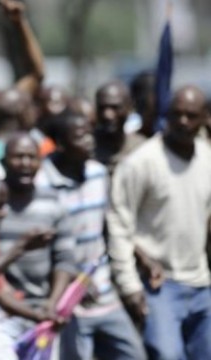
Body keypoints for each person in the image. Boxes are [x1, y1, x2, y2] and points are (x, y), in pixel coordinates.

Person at [107, 85, 211, 359]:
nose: (183, 122)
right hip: (159, 286)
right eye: (176, 114)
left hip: (201, 283)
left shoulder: (207, 158)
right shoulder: (141, 163)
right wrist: (129, 285)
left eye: (191, 115)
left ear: (204, 118)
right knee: (168, 355)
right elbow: (119, 224)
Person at [35, 110, 146, 360]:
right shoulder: (42, 182)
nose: (89, 141)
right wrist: (77, 279)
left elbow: (111, 227)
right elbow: (47, 245)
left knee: (133, 353)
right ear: (61, 144)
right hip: (66, 298)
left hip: (104, 290)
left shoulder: (98, 173)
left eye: (89, 134)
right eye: (80, 136)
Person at [0, 132, 77, 360]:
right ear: (5, 161)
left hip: (43, 306)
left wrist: (51, 306)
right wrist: (21, 247)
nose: (25, 163)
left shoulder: (53, 203)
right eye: (18, 157)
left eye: (31, 157)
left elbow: (65, 259)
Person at [93, 81, 146, 175]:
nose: (107, 115)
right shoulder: (88, 147)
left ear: (129, 107)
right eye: (102, 108)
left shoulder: (141, 148)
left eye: (115, 107)